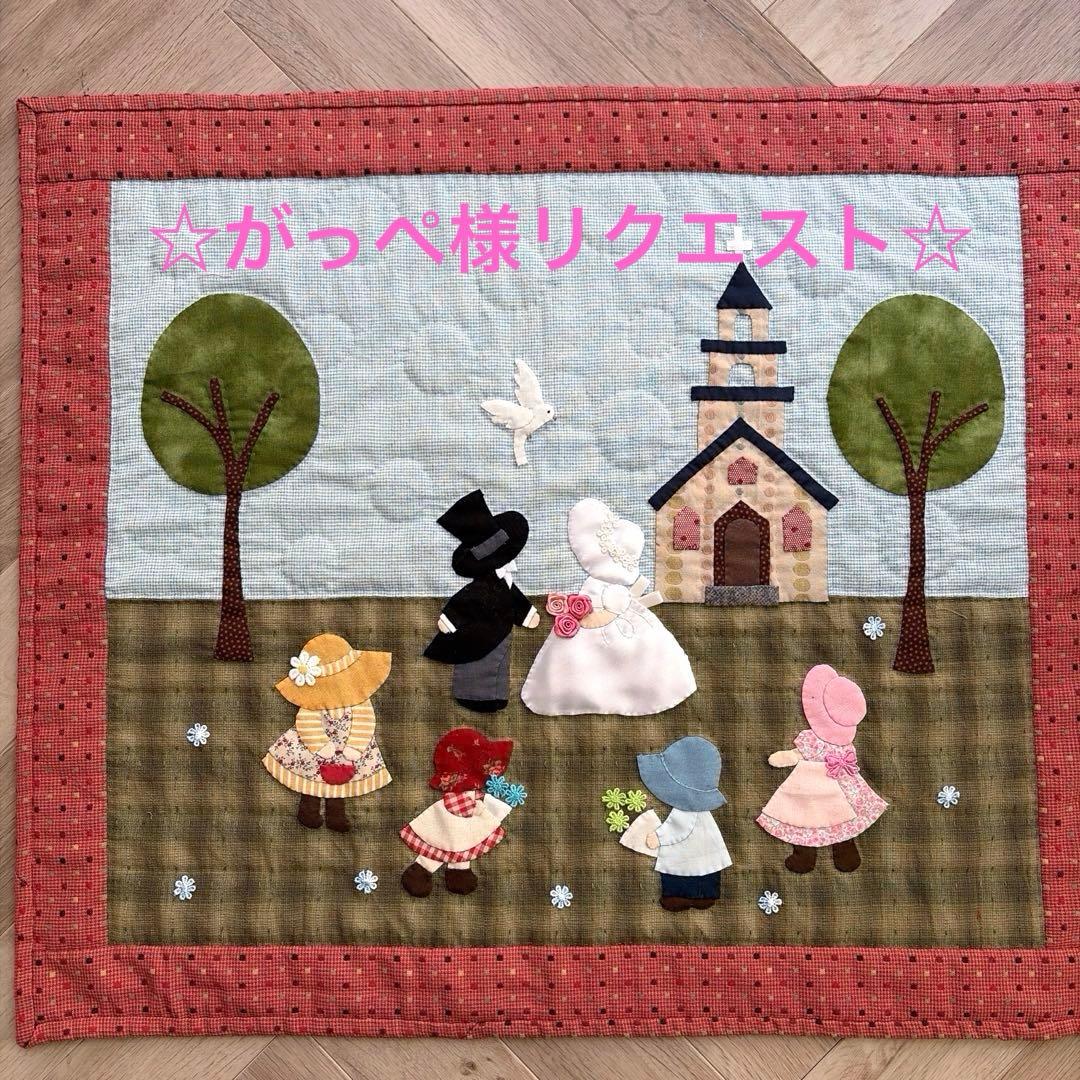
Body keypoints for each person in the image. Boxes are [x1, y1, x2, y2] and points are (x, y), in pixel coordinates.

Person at [521, 497, 696, 716]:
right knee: (580, 659)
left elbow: (613, 607)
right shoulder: (598, 586)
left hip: (617, 634)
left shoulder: (602, 586)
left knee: (624, 656)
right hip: (600, 631)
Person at [757, 664, 887, 873]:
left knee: (804, 818)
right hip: (830, 786)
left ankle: (809, 856)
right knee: (838, 817)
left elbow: (795, 755)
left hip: (809, 785)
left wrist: (783, 757)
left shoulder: (812, 739)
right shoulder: (844, 743)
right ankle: (840, 853)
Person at [423, 490, 540, 711]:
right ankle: (472, 697)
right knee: (477, 662)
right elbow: (464, 601)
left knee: (499, 662)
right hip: (478, 633)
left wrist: (527, 614)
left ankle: (497, 695)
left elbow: (513, 597)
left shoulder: (502, 580)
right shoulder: (483, 584)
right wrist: (450, 619)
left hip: (501, 630)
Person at [263, 633, 392, 832]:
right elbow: (307, 722)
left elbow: (364, 723)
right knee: (308, 779)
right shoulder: (313, 702)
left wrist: (354, 748)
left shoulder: (360, 701)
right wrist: (321, 746)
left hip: (347, 750)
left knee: (339, 786)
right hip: (313, 749)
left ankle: (336, 816)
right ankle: (308, 812)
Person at [400, 726, 518, 897]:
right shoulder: (458, 794)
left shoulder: (470, 791)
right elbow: (459, 806)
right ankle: (421, 870)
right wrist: (481, 809)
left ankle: (458, 872)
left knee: (459, 846)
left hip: (462, 827)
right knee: (440, 846)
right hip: (446, 823)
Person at [637, 736, 731, 911]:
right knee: (705, 874)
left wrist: (658, 837)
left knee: (680, 876)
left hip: (686, 856)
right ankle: (704, 896)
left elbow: (677, 829)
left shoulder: (687, 810)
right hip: (703, 854)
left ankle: (684, 897)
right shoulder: (696, 809)